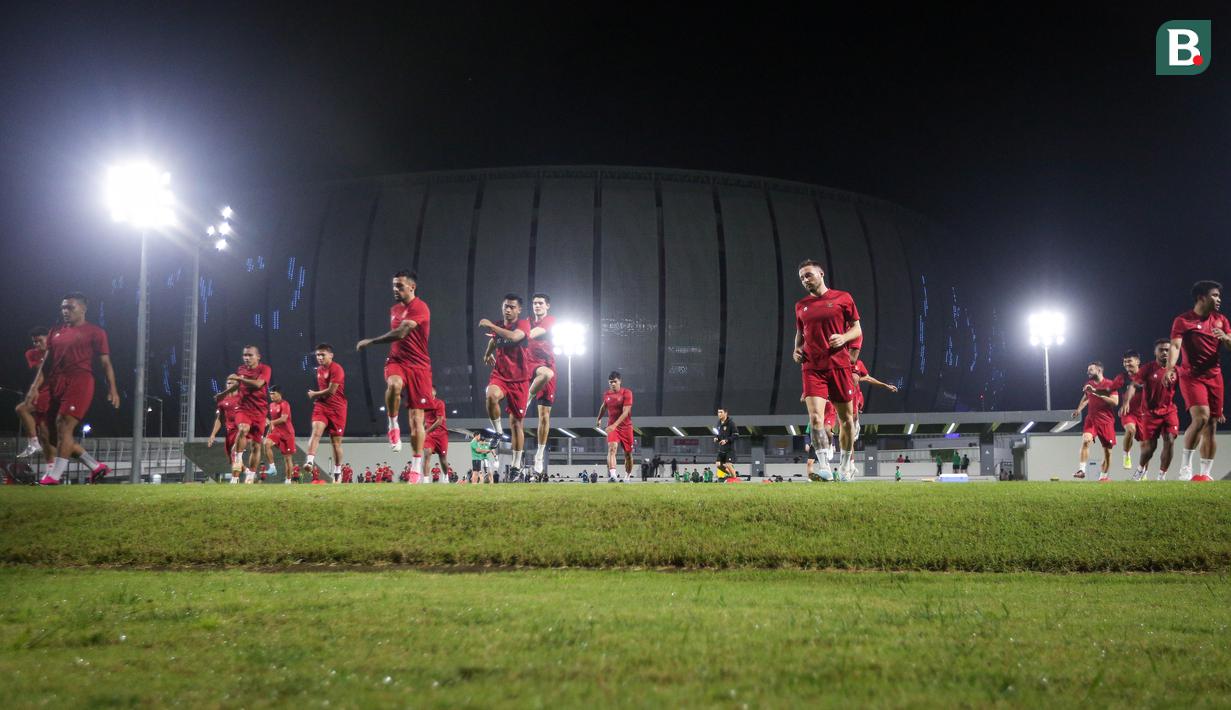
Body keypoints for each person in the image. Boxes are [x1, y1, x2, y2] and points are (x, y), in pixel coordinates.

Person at [24, 293, 119, 485]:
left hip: (80, 381)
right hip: (55, 383)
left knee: (63, 425)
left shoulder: (96, 332)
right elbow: (47, 362)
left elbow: (105, 363)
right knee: (48, 433)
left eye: (70, 307)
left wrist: (113, 389)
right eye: (63, 308)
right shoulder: (55, 332)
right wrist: (35, 387)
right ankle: (96, 466)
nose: (65, 311)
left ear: (83, 308)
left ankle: (54, 476)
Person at [357, 270, 432, 482]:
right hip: (397, 362)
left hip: (420, 367)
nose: (395, 290)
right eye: (393, 286)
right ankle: (392, 424)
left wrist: (371, 341)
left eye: (399, 286)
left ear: (412, 287)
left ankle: (416, 466)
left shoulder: (420, 307)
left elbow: (400, 333)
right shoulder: (394, 309)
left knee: (417, 420)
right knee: (394, 385)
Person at [794, 260, 861, 483]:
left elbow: (857, 328)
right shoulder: (800, 305)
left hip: (839, 365)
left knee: (847, 420)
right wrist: (796, 349)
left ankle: (844, 467)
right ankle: (824, 467)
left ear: (821, 273)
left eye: (809, 275)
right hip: (812, 367)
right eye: (802, 277)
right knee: (815, 418)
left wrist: (844, 337)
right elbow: (800, 334)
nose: (805, 280)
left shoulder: (843, 298)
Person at [1168, 280, 1230, 481]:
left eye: (1219, 296)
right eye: (1214, 295)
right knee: (1201, 417)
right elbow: (1175, 347)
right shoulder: (1183, 320)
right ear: (1201, 297)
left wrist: (1226, 339)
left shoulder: (1221, 320)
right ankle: (1185, 468)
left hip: (1214, 376)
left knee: (1211, 424)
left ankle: (1205, 474)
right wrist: (1170, 368)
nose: (1219, 299)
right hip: (1191, 376)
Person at [480, 293, 533, 480]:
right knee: (490, 395)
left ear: (519, 309)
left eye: (512, 307)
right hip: (500, 375)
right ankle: (498, 432)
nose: (508, 310)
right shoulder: (498, 325)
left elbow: (512, 337)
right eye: (505, 306)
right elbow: (494, 339)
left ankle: (516, 464)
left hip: (520, 380)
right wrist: (488, 353)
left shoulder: (523, 325)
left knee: (517, 423)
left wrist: (491, 326)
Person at [214, 344, 271, 483]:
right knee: (243, 428)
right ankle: (238, 460)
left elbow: (258, 384)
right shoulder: (241, 369)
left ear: (258, 356)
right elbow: (237, 385)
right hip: (243, 408)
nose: (247, 358)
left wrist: (240, 379)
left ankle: (251, 476)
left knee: (256, 446)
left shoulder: (265, 369)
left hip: (260, 411)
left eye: (250, 355)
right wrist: (223, 393)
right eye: (245, 355)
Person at [1130, 339, 1180, 480]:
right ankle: (1140, 470)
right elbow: (1134, 384)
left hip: (1169, 410)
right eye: (1161, 350)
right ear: (1155, 352)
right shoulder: (1147, 369)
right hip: (1150, 413)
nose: (1165, 352)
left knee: (1170, 440)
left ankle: (1161, 476)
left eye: (1167, 349)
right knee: (1150, 448)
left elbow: (1190, 386)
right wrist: (1128, 399)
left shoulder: (1176, 370)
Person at [305, 343, 347, 482]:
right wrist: (317, 397)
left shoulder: (337, 369)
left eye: (322, 354)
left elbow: (331, 391)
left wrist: (314, 394)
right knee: (316, 431)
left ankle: (337, 471)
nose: (320, 357)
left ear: (331, 355)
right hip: (322, 406)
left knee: (335, 444)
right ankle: (310, 460)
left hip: (337, 409)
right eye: (318, 355)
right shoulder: (319, 369)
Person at [1072, 361, 1119, 481]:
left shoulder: (1110, 384)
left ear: (1099, 370)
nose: (1087, 372)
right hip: (1091, 419)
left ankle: (1103, 477)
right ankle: (1081, 470)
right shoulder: (1088, 383)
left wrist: (1096, 392)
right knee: (1086, 440)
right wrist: (1078, 410)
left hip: (1106, 421)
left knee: (1107, 452)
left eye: (1090, 370)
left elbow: (1115, 402)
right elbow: (1086, 397)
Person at [526, 293, 556, 477]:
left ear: (547, 306)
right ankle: (515, 462)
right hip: (527, 366)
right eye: (534, 303)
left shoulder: (550, 320)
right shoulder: (526, 321)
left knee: (544, 416)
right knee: (516, 418)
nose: (537, 305)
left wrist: (516, 336)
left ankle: (539, 454)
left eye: (540, 303)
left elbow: (532, 334)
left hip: (546, 366)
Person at [1106, 350, 1145, 471]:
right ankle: (1126, 454)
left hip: (1144, 414)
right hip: (1128, 413)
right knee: (1130, 430)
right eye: (1124, 361)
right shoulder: (1122, 377)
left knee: (1146, 446)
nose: (1126, 363)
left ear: (1137, 361)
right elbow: (1109, 389)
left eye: (1129, 361)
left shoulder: (1146, 375)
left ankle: (1143, 472)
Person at [16, 326, 50, 459]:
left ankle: (34, 444)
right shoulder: (31, 353)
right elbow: (40, 373)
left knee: (22, 409)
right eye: (34, 342)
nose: (36, 344)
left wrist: (33, 389)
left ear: (48, 338)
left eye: (40, 340)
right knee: (42, 429)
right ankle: (51, 467)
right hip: (43, 390)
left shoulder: (56, 351)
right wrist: (35, 389)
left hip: (55, 391)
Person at [597, 371, 634, 482]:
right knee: (612, 448)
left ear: (620, 381)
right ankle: (613, 476)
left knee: (628, 454)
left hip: (626, 427)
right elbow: (604, 407)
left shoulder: (627, 393)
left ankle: (627, 476)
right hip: (612, 427)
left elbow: (626, 412)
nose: (613, 384)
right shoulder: (607, 394)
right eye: (610, 382)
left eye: (615, 382)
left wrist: (615, 425)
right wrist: (598, 418)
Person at [263, 386, 296, 480]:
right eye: (270, 394)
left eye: (273, 393)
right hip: (276, 432)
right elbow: (270, 420)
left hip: (287, 434)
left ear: (280, 394)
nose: (271, 396)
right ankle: (272, 467)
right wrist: (268, 424)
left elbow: (284, 419)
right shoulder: (271, 405)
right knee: (266, 443)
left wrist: (271, 422)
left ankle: (288, 480)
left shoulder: (285, 404)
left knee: (287, 458)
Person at [207, 392, 241, 477]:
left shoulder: (242, 397)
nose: (230, 385)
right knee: (232, 459)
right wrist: (213, 434)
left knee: (235, 453)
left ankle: (234, 480)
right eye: (228, 383)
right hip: (229, 433)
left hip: (241, 431)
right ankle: (248, 472)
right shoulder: (223, 400)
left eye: (232, 383)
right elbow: (219, 419)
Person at [423, 387, 450, 484]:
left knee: (442, 458)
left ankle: (446, 476)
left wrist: (426, 431)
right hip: (429, 435)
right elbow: (424, 420)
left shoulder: (439, 403)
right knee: (427, 454)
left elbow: (439, 421)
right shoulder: (424, 405)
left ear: (434, 392)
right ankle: (425, 481)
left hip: (441, 435)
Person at [714, 407, 738, 481]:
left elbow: (736, 435)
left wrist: (726, 440)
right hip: (721, 449)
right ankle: (731, 475)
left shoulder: (731, 423)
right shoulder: (718, 423)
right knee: (718, 465)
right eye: (718, 412)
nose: (719, 414)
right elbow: (719, 435)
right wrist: (717, 438)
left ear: (726, 413)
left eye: (721, 412)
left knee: (728, 465)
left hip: (729, 449)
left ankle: (735, 480)